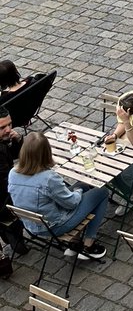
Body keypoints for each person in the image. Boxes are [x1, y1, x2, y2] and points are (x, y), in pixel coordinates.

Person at [8, 131, 109, 260]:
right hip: (55, 225)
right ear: (46, 152)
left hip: (32, 224)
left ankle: (74, 242)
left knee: (83, 185)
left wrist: (79, 189)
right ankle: (89, 245)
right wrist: (77, 191)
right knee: (101, 191)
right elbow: (72, 203)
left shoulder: (13, 173)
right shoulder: (48, 177)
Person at [0, 107, 26, 270]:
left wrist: (17, 141)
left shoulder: (2, 145)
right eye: (2, 127)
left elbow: (15, 155)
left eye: (9, 124)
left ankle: (13, 235)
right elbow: (8, 183)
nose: (8, 130)